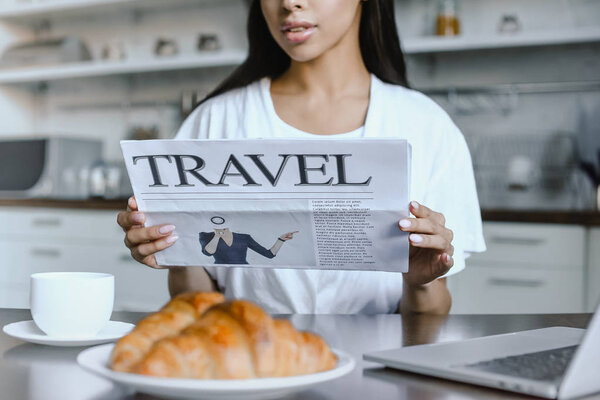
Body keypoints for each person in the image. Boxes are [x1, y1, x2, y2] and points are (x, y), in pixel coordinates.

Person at [117, 0, 486, 314]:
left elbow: (433, 311)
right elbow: (194, 300)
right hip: (256, 366)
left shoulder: (426, 125)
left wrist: (421, 282)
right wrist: (174, 250)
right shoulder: (215, 120)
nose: (288, 3)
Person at [199, 216, 298, 264]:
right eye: (216, 225)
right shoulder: (205, 236)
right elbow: (208, 253)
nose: (220, 226)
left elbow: (269, 254)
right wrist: (217, 236)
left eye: (223, 225)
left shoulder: (244, 238)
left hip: (244, 271)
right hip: (221, 272)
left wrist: (281, 239)